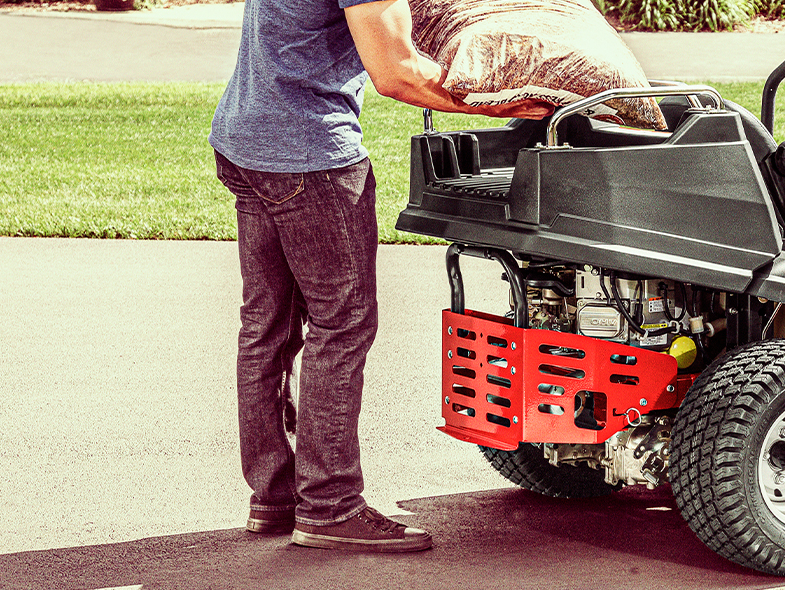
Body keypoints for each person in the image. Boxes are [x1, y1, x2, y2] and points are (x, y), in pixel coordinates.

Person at [208, 0, 551, 553]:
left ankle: (275, 498)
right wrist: (521, 107)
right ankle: (329, 506)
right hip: (309, 157)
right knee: (340, 327)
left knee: (265, 329)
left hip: (246, 140)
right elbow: (396, 74)